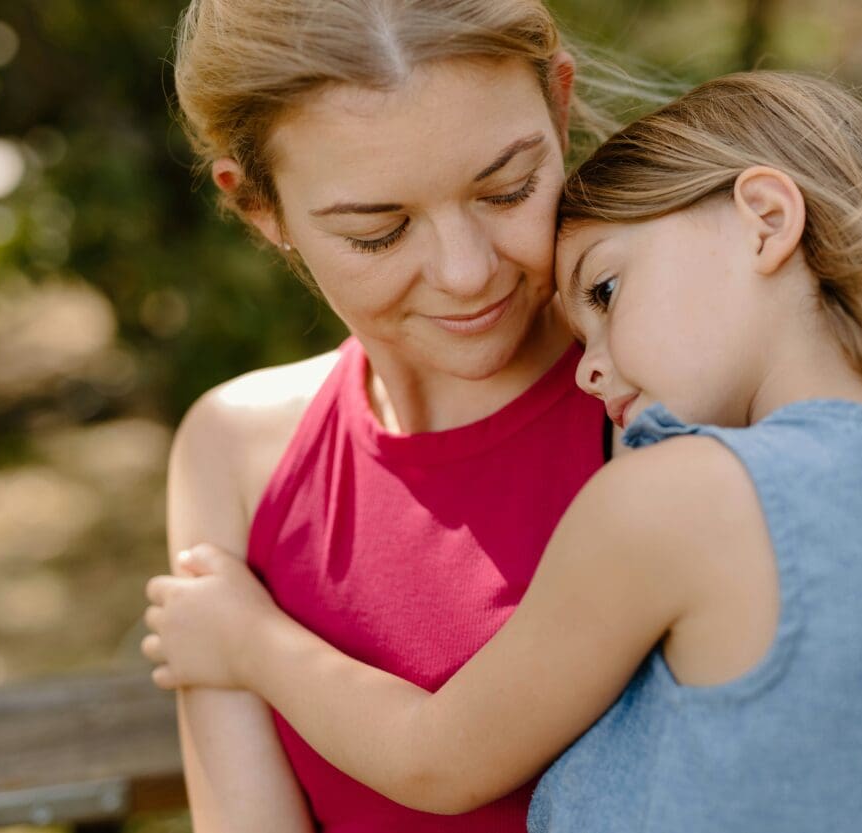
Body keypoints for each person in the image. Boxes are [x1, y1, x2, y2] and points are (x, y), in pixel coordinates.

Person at [144, 72, 862, 832]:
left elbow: (439, 754)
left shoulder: (677, 494)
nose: (589, 368)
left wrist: (247, 641)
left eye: (605, 293)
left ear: (765, 220)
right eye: (379, 226)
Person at [157, 1, 644, 830]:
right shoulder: (236, 452)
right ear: (258, 208)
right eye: (379, 232)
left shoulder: (656, 390)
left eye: (508, 188)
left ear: (560, 106)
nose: (465, 272)